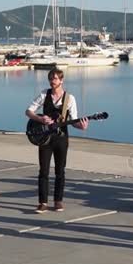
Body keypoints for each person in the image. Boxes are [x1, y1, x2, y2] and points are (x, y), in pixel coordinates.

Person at [25, 68, 88, 214]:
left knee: (60, 171)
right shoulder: (43, 94)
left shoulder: (69, 99)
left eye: (55, 78)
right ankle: (42, 202)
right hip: (45, 138)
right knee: (44, 171)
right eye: (50, 79)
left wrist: (82, 126)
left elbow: (73, 120)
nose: (52, 81)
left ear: (61, 80)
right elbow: (28, 111)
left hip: (61, 138)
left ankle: (58, 201)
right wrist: (40, 119)